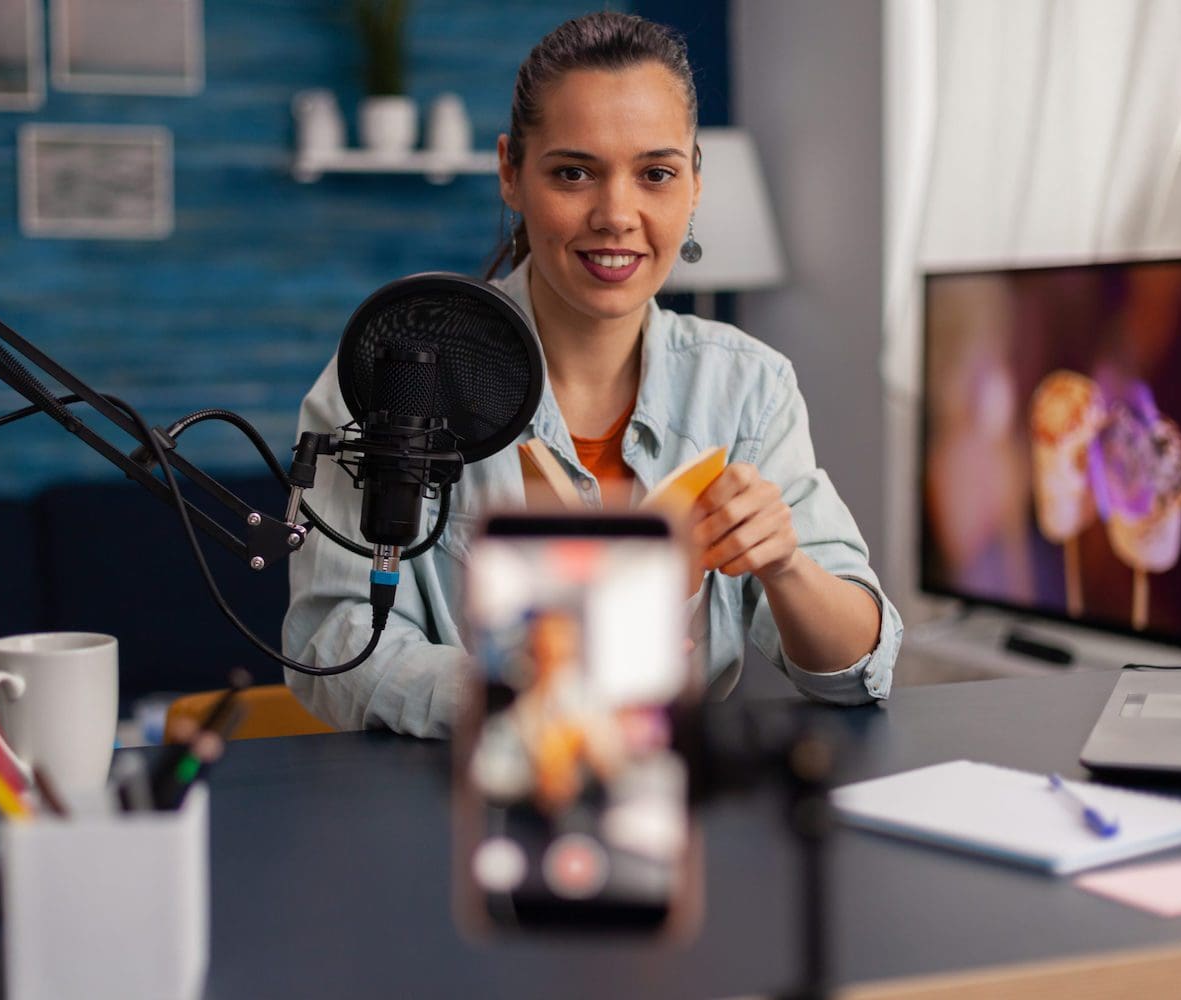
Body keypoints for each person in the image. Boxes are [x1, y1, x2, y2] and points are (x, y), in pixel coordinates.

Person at [283, 11, 902, 737]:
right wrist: (525, 687)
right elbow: (331, 646)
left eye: (656, 174)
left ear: (695, 182)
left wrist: (788, 564)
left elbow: (858, 672)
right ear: (511, 172)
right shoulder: (397, 371)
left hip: (668, 815)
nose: (616, 214)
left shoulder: (748, 389)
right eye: (573, 172)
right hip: (448, 814)